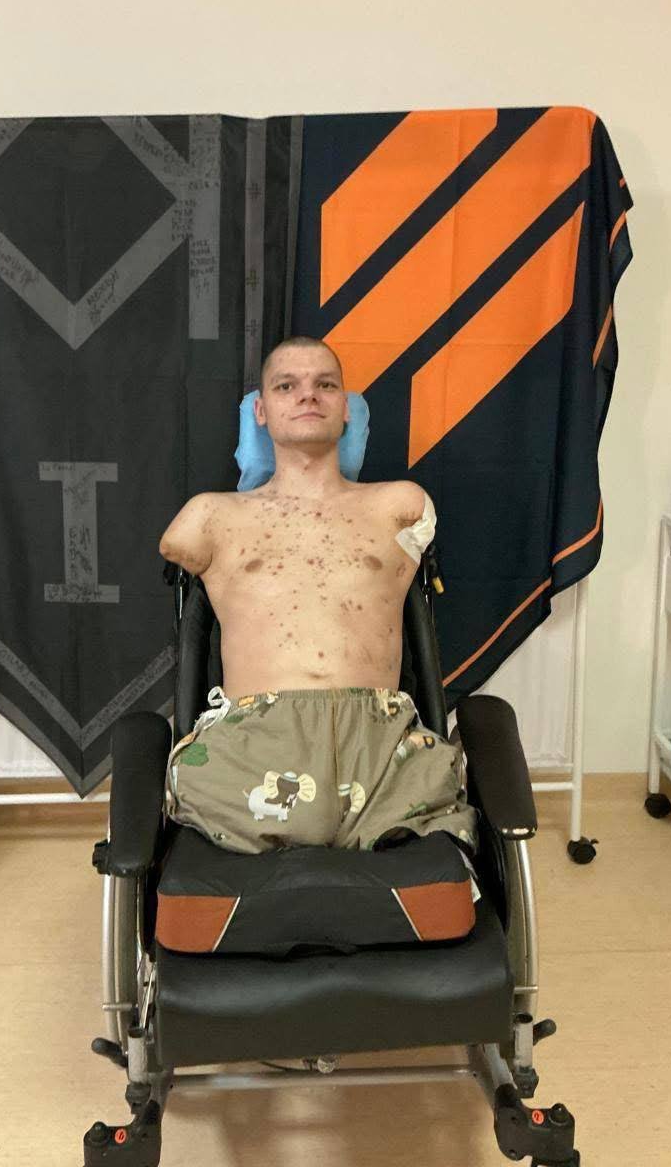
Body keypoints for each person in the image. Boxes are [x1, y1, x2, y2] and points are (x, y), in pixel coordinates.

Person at [158, 336, 478, 857]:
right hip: (252, 745)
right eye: (287, 386)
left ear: (347, 409)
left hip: (380, 746)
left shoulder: (399, 507)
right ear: (260, 411)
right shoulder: (209, 518)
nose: (308, 395)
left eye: (325, 385)